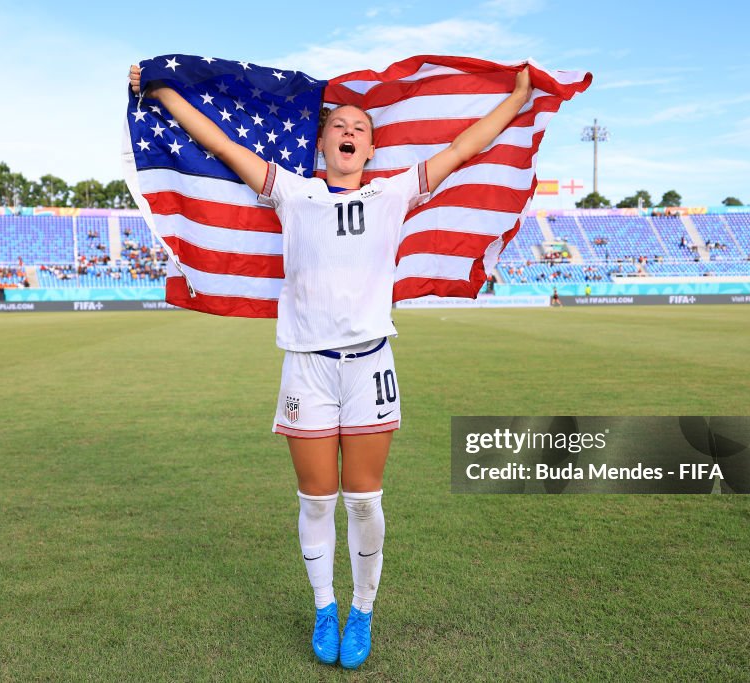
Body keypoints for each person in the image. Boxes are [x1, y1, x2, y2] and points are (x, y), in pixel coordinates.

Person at [131, 63, 533, 669]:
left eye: (360, 128)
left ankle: (362, 612)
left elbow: (464, 148)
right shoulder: (295, 192)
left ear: (371, 148)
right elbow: (220, 142)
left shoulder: (393, 192)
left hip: (370, 365)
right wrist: (164, 90)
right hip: (307, 369)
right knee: (316, 502)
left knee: (364, 502)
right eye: (338, 125)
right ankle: (325, 607)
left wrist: (517, 98)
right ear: (322, 142)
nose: (348, 132)